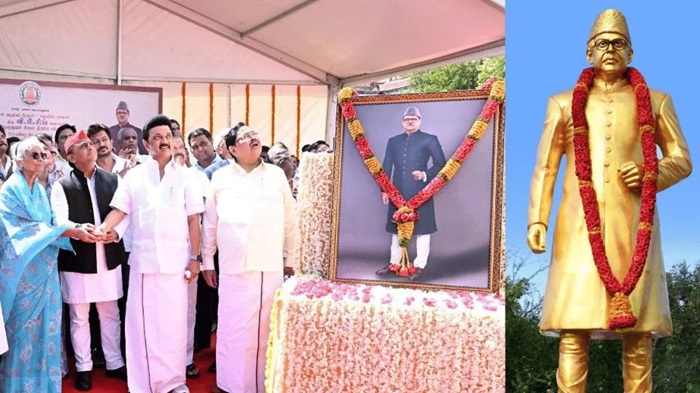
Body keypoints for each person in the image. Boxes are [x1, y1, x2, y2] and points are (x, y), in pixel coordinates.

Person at [526, 9, 692, 392]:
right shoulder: (563, 103)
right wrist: (538, 220)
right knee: (573, 331)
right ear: (589, 52)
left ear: (631, 52)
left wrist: (653, 172)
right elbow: (545, 167)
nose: (611, 50)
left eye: (619, 44)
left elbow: (682, 159)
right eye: (603, 44)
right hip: (577, 231)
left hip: (636, 227)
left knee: (638, 337)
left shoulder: (657, 100)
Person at [100, 114, 204, 393]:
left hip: (176, 264)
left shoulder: (186, 177)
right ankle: (143, 384)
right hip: (144, 264)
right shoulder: (135, 176)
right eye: (157, 137)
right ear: (146, 144)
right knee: (141, 328)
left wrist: (196, 258)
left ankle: (173, 382)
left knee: (172, 327)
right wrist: (103, 230)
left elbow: (194, 220)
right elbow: (120, 210)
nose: (164, 141)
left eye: (167, 137)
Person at [0, 137, 98, 392]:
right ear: (19, 160)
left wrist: (77, 228)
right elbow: (24, 231)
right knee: (22, 335)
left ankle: (44, 386)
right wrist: (68, 233)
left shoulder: (42, 191)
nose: (42, 159)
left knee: (48, 331)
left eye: (44, 155)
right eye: (35, 155)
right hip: (22, 276)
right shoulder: (10, 190)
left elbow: (54, 224)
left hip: (46, 273)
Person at [202, 126, 295, 393]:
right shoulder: (220, 178)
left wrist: (292, 258)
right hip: (234, 264)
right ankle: (231, 385)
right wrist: (208, 260)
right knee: (233, 328)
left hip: (270, 263)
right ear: (232, 149)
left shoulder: (276, 175)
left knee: (267, 327)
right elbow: (210, 223)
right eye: (244, 137)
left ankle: (265, 385)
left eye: (254, 133)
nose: (253, 138)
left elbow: (290, 220)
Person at [51, 130, 129, 390]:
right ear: (70, 157)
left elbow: (126, 212)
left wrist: (116, 232)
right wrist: (77, 230)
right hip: (78, 259)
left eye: (90, 144)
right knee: (79, 316)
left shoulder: (113, 180)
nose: (91, 148)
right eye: (83, 146)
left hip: (108, 255)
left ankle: (115, 362)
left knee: (110, 313)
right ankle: (83, 367)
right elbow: (58, 220)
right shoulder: (62, 185)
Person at [375, 106, 446, 280]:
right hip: (396, 191)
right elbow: (386, 166)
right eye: (407, 119)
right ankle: (394, 263)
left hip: (421, 191)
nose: (410, 121)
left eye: (413, 119)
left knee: (423, 230)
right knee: (396, 228)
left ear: (420, 121)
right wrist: (384, 189)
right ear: (402, 122)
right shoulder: (393, 141)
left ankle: (419, 265)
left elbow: (441, 163)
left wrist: (424, 175)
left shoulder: (430, 139)